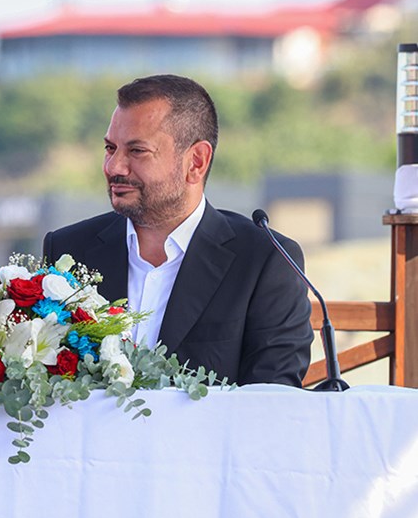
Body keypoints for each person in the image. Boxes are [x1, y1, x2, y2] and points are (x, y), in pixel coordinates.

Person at [43, 74, 312, 386]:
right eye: (110, 148)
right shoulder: (69, 251)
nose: (114, 167)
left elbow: (272, 398)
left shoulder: (265, 260)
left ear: (196, 162)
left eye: (137, 151)